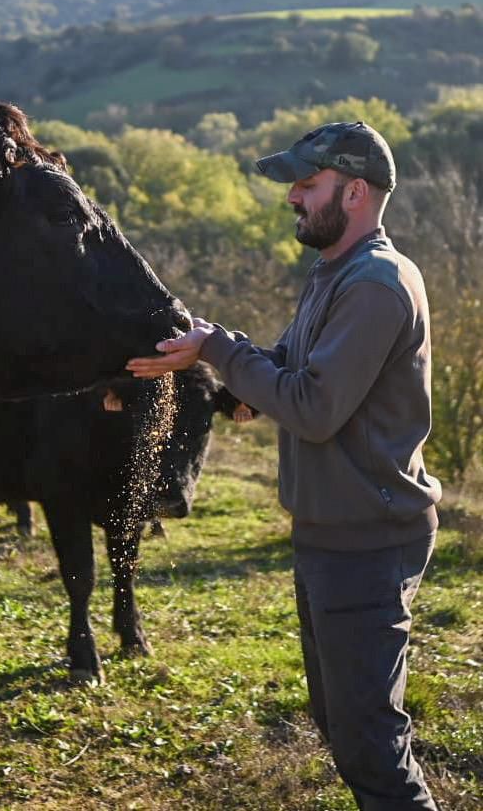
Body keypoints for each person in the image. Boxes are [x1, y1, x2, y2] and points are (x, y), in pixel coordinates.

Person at [127, 121, 442, 810]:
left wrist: (223, 353)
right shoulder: (335, 272)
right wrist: (237, 373)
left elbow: (316, 408)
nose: (293, 197)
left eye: (307, 183)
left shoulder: (377, 284)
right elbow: (293, 370)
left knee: (370, 743)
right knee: (342, 726)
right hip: (332, 536)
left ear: (355, 191)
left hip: (369, 540)